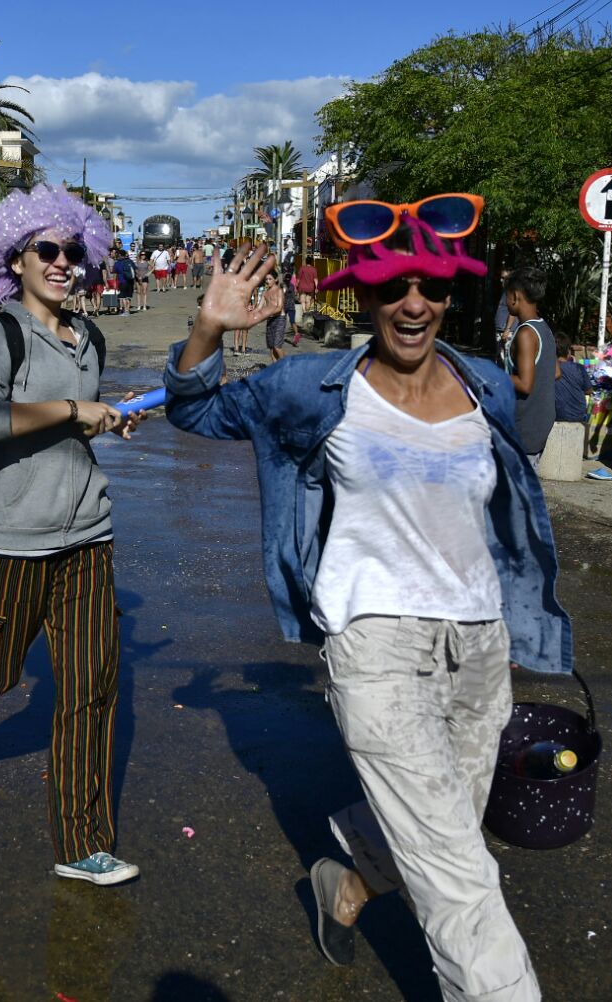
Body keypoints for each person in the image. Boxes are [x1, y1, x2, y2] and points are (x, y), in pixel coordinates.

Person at [164, 223, 567, 1001]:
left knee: (450, 820)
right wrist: (208, 327)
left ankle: (346, 882)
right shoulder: (313, 385)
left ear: (450, 295)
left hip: (478, 641)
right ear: (365, 295)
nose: (413, 305)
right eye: (393, 289)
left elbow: (500, 508)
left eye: (430, 289)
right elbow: (195, 413)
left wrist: (517, 618)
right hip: (373, 641)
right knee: (459, 872)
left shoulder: (483, 383)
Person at [0, 183, 146, 886]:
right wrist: (73, 407)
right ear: (15, 258)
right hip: (9, 538)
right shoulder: (0, 332)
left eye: (72, 250)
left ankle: (81, 843)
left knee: (91, 686)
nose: (62, 262)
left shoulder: (90, 336)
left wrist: (105, 417)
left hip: (87, 533)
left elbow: (69, 427)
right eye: (46, 249)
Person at [501, 267, 556, 465]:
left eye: (506, 295)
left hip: (523, 427)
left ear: (515, 297)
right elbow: (556, 372)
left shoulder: (525, 334)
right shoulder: (544, 328)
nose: (505, 301)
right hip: (540, 423)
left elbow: (525, 384)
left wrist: (493, 375)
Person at [553, 331, 591, 424]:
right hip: (578, 416)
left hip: (556, 416)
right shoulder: (579, 368)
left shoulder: (547, 369)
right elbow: (589, 390)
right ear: (568, 351)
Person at [264, 271, 291, 362]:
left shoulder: (279, 291)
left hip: (279, 319)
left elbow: (279, 308)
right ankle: (276, 368)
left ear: (275, 280)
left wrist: (267, 314)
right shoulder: (265, 293)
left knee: (277, 346)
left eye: (270, 279)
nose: (267, 281)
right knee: (272, 348)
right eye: (266, 279)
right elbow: (259, 307)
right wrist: (251, 312)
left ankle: (286, 366)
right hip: (270, 320)